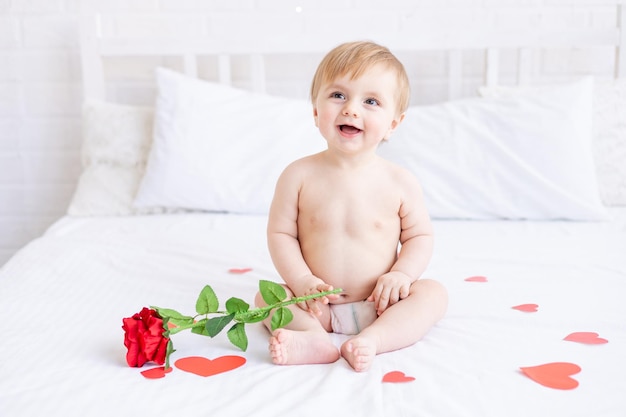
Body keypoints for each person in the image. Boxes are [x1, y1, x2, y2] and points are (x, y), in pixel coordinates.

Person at [255, 41, 448, 372]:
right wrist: (301, 281)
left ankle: (374, 339)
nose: (351, 109)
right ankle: (312, 337)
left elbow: (420, 237)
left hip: (382, 304)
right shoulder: (298, 175)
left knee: (433, 294)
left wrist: (401, 274)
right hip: (317, 305)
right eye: (338, 95)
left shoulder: (400, 182)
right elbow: (281, 233)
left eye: (371, 101)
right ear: (316, 111)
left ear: (393, 124)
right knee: (266, 297)